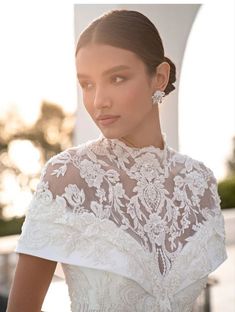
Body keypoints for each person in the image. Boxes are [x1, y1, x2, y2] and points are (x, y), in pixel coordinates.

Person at [7, 9, 227, 312]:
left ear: (159, 78)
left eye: (117, 78)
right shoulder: (68, 177)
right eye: (87, 84)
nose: (99, 101)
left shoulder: (198, 182)